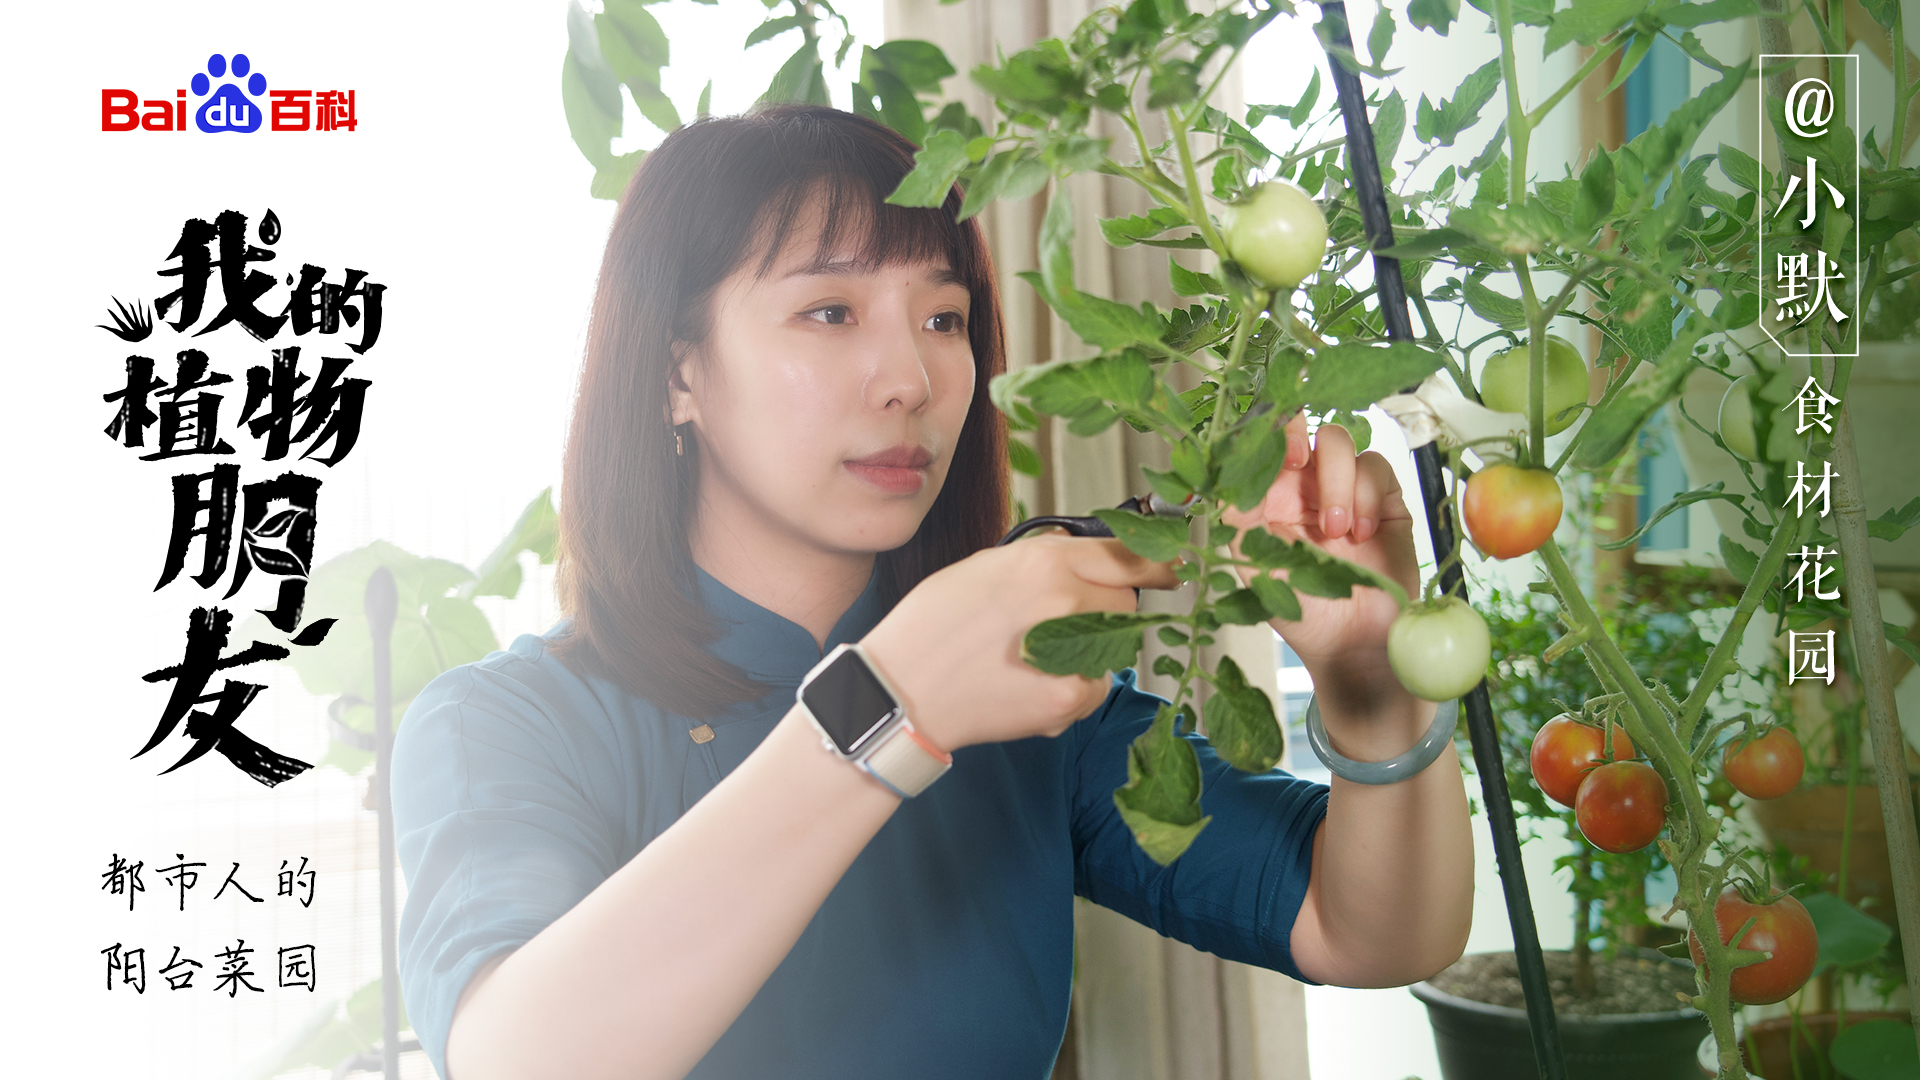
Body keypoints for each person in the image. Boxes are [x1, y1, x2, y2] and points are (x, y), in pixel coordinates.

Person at [392, 103, 1473, 1080]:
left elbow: (1371, 932)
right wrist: (890, 703)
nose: (910, 378)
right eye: (829, 312)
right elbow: (517, 1056)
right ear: (680, 372)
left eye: (944, 318)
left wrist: (1376, 688)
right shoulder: (508, 724)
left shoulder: (1031, 702)